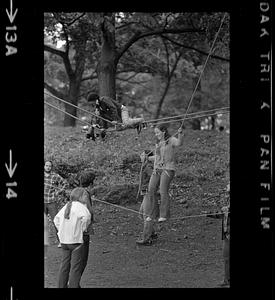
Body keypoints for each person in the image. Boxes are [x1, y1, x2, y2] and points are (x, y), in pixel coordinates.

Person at [136, 124, 184, 245]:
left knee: (163, 191)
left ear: (163, 131)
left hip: (168, 168)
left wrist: (180, 134)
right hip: (158, 168)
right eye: (155, 133)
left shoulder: (171, 140)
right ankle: (151, 216)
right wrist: (148, 158)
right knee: (151, 190)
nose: (156, 135)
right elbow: (158, 156)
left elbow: (179, 143)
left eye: (158, 132)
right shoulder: (158, 143)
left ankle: (164, 215)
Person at [54, 187, 94, 288]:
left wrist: (61, 231)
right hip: (76, 242)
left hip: (64, 242)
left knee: (64, 266)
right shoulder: (81, 207)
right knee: (75, 268)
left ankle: (61, 286)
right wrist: (81, 229)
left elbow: (56, 220)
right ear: (81, 197)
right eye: (85, 195)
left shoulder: (67, 206)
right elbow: (87, 218)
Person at [207, 183, 230, 287]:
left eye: (228, 186)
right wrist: (208, 214)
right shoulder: (227, 200)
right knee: (226, 258)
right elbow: (222, 214)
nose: (226, 188)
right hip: (226, 235)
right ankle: (226, 280)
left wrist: (227, 210)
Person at [44, 160, 69, 247]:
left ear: (51, 167)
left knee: (56, 221)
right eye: (46, 165)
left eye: (49, 166)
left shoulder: (55, 176)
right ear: (44, 166)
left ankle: (61, 241)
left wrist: (59, 192)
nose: (48, 167)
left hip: (52, 202)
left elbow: (65, 183)